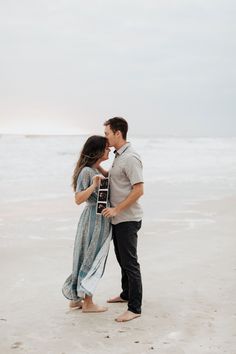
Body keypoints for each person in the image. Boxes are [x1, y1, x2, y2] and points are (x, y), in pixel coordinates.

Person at [98, 117, 144, 322]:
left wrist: (117, 209)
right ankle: (126, 294)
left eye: (107, 133)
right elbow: (116, 178)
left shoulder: (131, 157)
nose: (105, 137)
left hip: (127, 218)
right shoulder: (119, 156)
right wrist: (98, 167)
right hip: (119, 219)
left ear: (118, 133)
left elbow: (139, 189)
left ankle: (135, 308)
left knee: (130, 263)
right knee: (122, 260)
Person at [62, 135, 111, 313]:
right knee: (92, 257)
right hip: (94, 219)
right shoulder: (87, 172)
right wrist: (93, 185)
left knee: (85, 256)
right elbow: (78, 199)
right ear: (97, 150)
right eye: (106, 148)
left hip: (95, 217)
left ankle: (75, 299)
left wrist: (101, 170)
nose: (110, 150)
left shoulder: (92, 168)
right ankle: (88, 303)